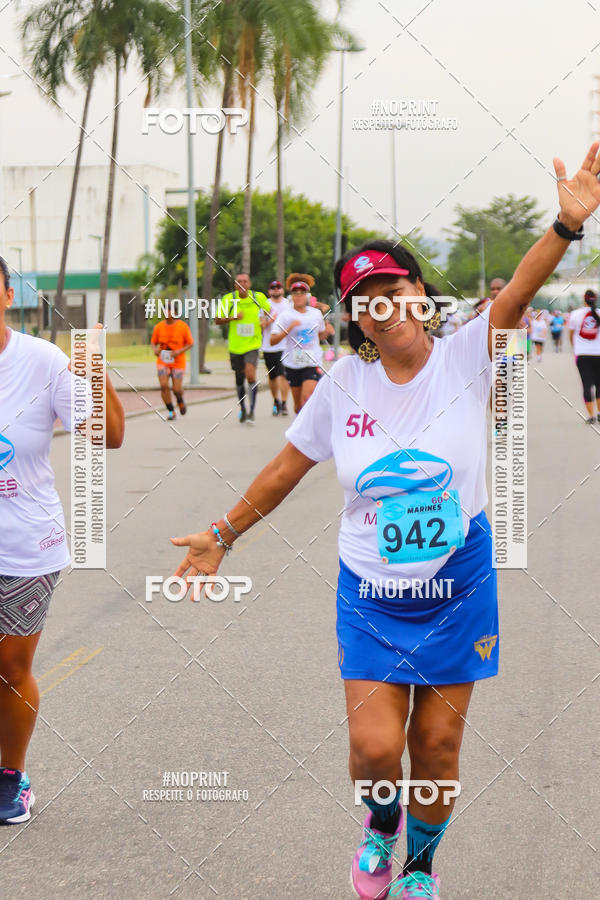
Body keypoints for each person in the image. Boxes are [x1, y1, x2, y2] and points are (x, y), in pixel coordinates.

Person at [169, 141, 600, 899]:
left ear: (420, 295)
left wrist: (566, 226)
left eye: (395, 290)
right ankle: (381, 823)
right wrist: (221, 534)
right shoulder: (342, 385)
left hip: (457, 583)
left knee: (436, 746)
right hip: (370, 590)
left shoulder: (468, 357)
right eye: (366, 299)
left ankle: (420, 867)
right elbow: (286, 468)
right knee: (374, 753)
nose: (384, 307)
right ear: (354, 317)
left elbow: (519, 295)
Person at [0, 255, 125, 825]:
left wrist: (95, 371)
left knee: (9, 668)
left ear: (8, 296)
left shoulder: (40, 361)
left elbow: (110, 435)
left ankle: (10, 776)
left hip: (24, 544)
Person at [270, 280, 331, 413]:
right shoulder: (285, 316)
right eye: (295, 293)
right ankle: (300, 423)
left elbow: (321, 335)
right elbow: (272, 340)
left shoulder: (315, 314)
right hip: (293, 363)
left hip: (312, 362)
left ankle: (309, 425)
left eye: (302, 293)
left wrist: (327, 331)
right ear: (291, 296)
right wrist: (289, 328)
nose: (298, 296)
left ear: (307, 296)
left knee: (307, 399)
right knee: (298, 406)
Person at [216, 273, 269, 424]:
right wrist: (232, 317)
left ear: (249, 284)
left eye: (245, 281)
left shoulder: (258, 297)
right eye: (239, 282)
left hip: (253, 344)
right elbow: (217, 320)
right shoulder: (228, 299)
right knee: (239, 378)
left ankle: (252, 410)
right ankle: (243, 409)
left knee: (250, 375)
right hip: (235, 346)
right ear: (235, 285)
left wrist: (264, 321)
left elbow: (269, 312)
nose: (242, 284)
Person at [150, 302, 194, 419]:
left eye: (169, 311)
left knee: (177, 389)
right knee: (164, 385)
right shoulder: (159, 327)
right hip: (163, 361)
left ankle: (180, 399)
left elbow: (190, 343)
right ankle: (171, 411)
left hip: (178, 362)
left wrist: (178, 351)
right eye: (165, 311)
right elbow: (153, 342)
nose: (167, 313)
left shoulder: (182, 326)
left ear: (175, 312)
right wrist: (155, 350)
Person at [569, 288, 600, 422]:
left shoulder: (575, 314)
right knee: (599, 384)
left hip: (582, 354)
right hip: (598, 353)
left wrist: (575, 347)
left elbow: (571, 335)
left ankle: (591, 416)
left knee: (586, 384)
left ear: (584, 299)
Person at [260, 280, 291, 417]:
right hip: (269, 346)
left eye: (278, 287)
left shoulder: (288, 304)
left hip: (285, 345)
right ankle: (276, 401)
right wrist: (271, 320)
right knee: (272, 376)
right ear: (269, 291)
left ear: (282, 290)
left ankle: (284, 403)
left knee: (283, 374)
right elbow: (261, 325)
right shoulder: (265, 305)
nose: (276, 290)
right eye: (273, 288)